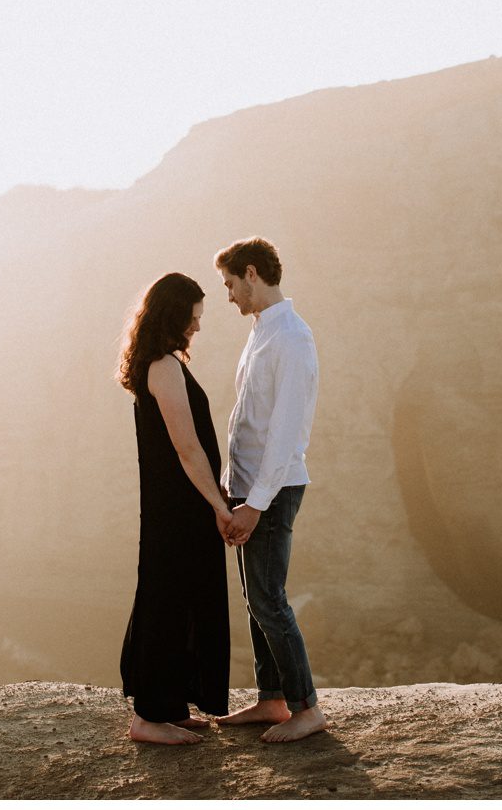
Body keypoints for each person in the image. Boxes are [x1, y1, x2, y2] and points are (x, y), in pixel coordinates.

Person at [214, 237, 327, 743]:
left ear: (252, 274)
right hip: (249, 487)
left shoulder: (292, 338)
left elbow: (284, 433)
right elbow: (247, 420)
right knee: (254, 597)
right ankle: (272, 699)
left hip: (274, 490)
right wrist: (228, 489)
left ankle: (306, 708)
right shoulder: (261, 332)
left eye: (231, 284)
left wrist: (256, 505)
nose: (229, 296)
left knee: (269, 598)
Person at [117, 272, 235, 745]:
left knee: (181, 597)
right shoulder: (163, 367)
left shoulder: (161, 363)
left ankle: (169, 705)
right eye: (193, 317)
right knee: (168, 601)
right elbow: (187, 449)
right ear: (172, 315)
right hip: (179, 507)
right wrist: (218, 505)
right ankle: (148, 717)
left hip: (179, 505)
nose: (198, 327)